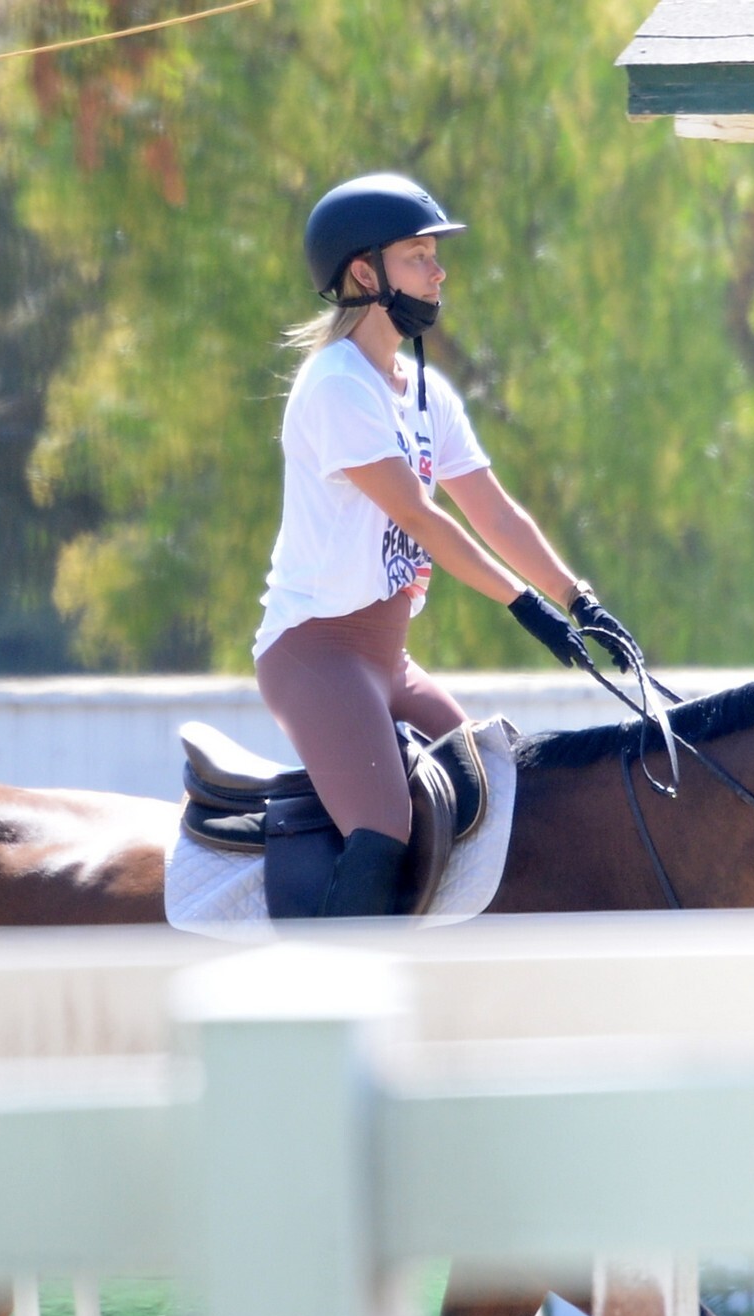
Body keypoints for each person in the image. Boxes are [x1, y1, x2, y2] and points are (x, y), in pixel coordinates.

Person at [253, 172, 642, 917]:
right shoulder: (337, 385)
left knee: (494, 798)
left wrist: (578, 599)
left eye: (435, 256)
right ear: (364, 273)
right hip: (316, 655)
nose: (438, 272)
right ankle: (327, 983)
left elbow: (494, 513)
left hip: (388, 659)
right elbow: (424, 518)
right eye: (417, 256)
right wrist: (524, 605)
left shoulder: (425, 392)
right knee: (383, 829)